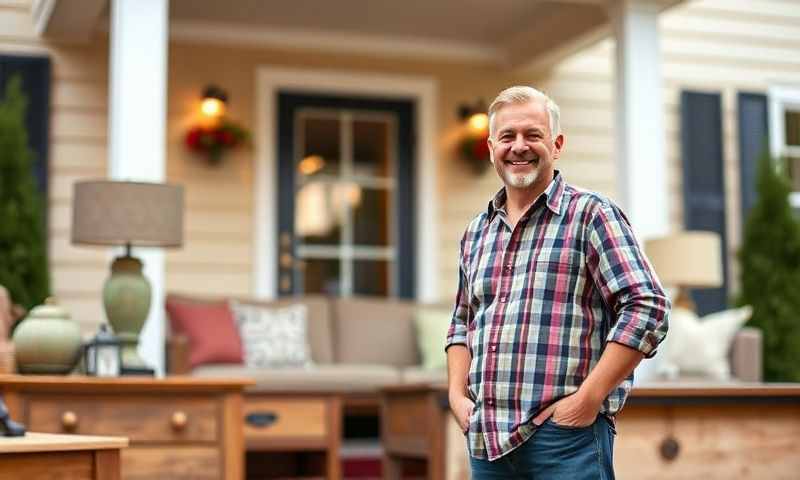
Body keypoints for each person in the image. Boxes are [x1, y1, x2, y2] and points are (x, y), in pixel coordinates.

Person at [445, 86, 670, 479]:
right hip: (487, 441)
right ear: (491, 146)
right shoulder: (476, 232)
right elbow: (463, 321)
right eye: (507, 137)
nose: (519, 147)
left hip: (565, 441)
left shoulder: (592, 215)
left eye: (533, 135)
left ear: (557, 144)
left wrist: (588, 399)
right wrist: (456, 396)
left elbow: (647, 307)